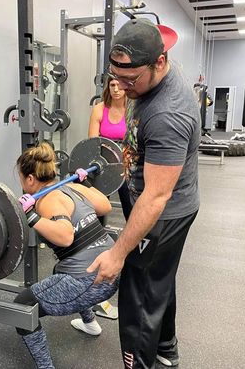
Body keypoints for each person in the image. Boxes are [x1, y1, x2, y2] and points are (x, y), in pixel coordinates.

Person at [87, 18, 201, 369]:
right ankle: (166, 348)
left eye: (130, 79)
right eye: (116, 77)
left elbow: (156, 197)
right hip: (170, 202)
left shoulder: (168, 114)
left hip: (164, 212)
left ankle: (138, 363)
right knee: (159, 278)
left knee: (138, 292)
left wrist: (119, 253)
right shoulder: (149, 73)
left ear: (160, 63)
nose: (121, 86)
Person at [15, 142, 119, 369]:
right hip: (112, 270)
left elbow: (65, 237)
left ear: (30, 179)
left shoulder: (48, 200)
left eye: (22, 178)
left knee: (22, 306)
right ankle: (91, 323)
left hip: (90, 282)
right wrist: (86, 183)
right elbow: (105, 206)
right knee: (60, 270)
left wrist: (31, 216)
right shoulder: (72, 187)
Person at [88, 77, 132, 221]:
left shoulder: (132, 110)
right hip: (104, 162)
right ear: (108, 87)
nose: (116, 89)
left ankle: (134, 241)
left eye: (119, 85)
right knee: (99, 205)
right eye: (112, 85)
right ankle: (97, 238)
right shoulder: (99, 109)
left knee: (129, 204)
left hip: (126, 163)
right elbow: (92, 143)